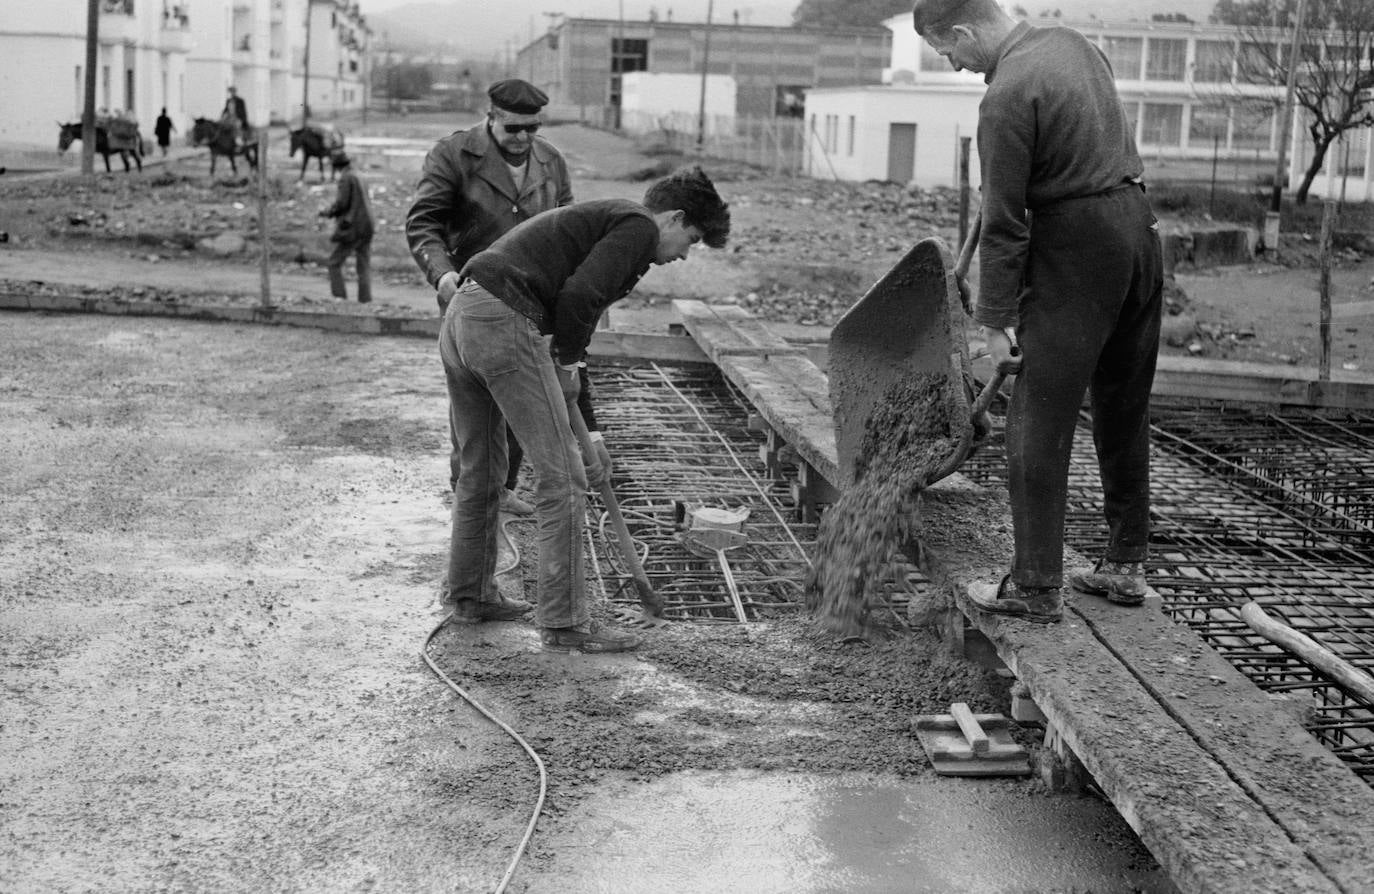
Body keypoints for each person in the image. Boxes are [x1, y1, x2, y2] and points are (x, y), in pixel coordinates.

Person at [911, 0, 1163, 623]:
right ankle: (1126, 564)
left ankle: (1034, 585)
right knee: (1123, 401)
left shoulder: (1005, 96)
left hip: (1078, 247)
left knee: (1037, 414)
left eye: (949, 53)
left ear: (965, 31)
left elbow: (1003, 224)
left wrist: (993, 323)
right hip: (1140, 230)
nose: (955, 66)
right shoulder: (1072, 44)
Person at [439, 167, 730, 652]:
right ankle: (564, 623)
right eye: (690, 239)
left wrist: (591, 433)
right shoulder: (637, 227)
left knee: (482, 469)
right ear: (674, 217)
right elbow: (578, 305)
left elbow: (576, 328)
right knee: (563, 480)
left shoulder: (605, 224)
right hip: (505, 321)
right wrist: (570, 367)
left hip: (465, 317)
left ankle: (470, 596)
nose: (681, 254)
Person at [406, 78, 578, 516]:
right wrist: (443, 276)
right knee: (474, 402)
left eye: (532, 129)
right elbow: (424, 224)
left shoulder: (552, 162)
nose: (523, 138)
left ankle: (503, 488)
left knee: (524, 396)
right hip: (471, 298)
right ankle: (469, 491)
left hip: (532, 303)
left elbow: (570, 230)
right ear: (492, 117)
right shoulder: (453, 154)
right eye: (514, 128)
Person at [319, 152, 374, 304]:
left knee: (334, 262)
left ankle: (339, 297)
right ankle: (365, 300)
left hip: (353, 226)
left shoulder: (346, 178)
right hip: (368, 225)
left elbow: (342, 204)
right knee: (363, 264)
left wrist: (327, 212)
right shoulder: (360, 175)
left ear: (336, 166)